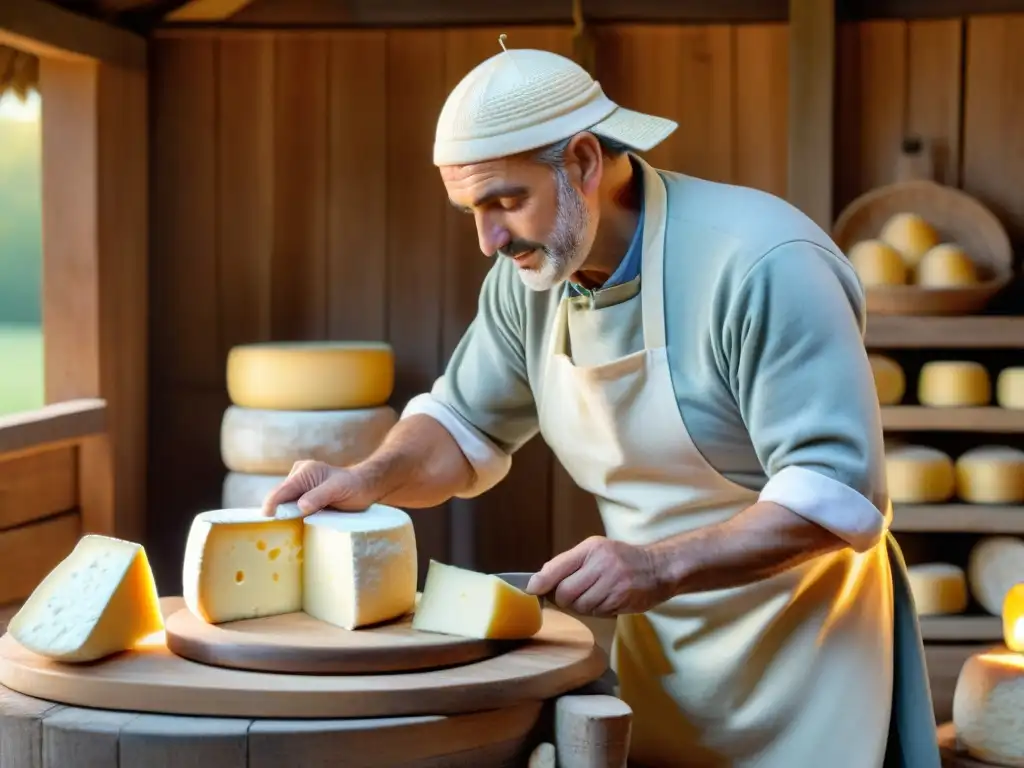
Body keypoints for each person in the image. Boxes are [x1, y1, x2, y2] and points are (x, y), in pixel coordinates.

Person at [263, 45, 940, 767]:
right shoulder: (532, 277)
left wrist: (658, 567)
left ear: (584, 162)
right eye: (472, 211)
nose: (489, 240)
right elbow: (460, 430)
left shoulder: (761, 262)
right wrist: (368, 478)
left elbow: (837, 494)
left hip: (811, 669)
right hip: (663, 661)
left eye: (505, 201)